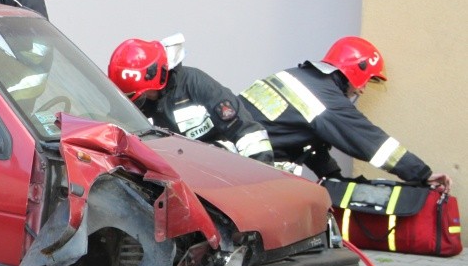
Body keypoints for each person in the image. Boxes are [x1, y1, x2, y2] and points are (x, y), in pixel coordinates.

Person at [238, 36, 452, 191]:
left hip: (231, 157)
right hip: (246, 170)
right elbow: (368, 140)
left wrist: (332, 177)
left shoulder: (296, 78)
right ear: (356, 69)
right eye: (367, 80)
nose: (363, 89)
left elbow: (304, 142)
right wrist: (422, 174)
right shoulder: (325, 101)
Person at [108, 34, 274, 164]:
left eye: (143, 95)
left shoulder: (195, 84)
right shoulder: (136, 105)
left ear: (159, 76)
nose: (140, 102)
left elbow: (246, 132)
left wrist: (261, 176)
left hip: (223, 172)